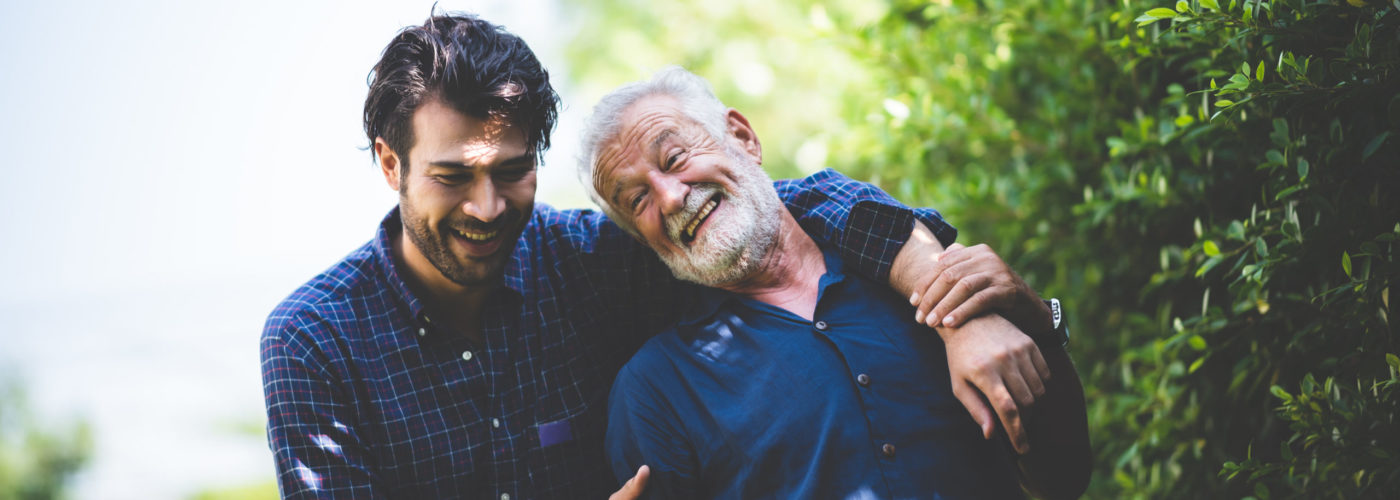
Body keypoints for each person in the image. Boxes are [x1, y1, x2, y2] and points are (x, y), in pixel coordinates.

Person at [261, 12, 1052, 499]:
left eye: (511, 172)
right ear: (390, 164)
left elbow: (771, 208)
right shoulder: (314, 342)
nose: (487, 207)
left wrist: (952, 301)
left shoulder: (595, 260)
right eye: (450, 176)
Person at [583, 67, 1092, 499]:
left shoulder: (923, 275)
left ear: (742, 137)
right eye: (637, 201)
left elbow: (1062, 479)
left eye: (674, 158)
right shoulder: (655, 391)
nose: (670, 198)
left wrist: (1035, 319)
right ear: (644, 241)